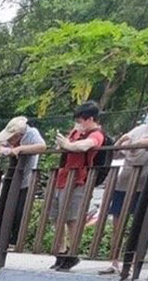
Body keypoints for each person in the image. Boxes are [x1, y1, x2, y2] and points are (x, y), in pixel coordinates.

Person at [98, 97, 148, 275]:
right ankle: (114, 261)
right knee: (118, 222)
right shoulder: (139, 129)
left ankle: (134, 261)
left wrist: (138, 143)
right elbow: (122, 146)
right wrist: (123, 143)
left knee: (141, 223)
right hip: (126, 180)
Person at [48, 101, 107, 271]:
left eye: (81, 120)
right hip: (62, 178)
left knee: (72, 219)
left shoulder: (96, 134)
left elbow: (85, 146)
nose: (78, 123)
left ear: (90, 119)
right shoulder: (76, 132)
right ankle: (60, 253)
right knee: (56, 217)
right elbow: (67, 145)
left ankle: (71, 253)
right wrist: (64, 144)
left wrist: (69, 145)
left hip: (78, 181)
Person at [0, 116, 48, 249]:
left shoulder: (32, 133)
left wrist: (20, 149)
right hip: (13, 174)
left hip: (26, 177)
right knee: (3, 206)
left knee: (19, 210)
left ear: (19, 134)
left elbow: (42, 147)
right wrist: (3, 150)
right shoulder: (11, 139)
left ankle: (14, 241)